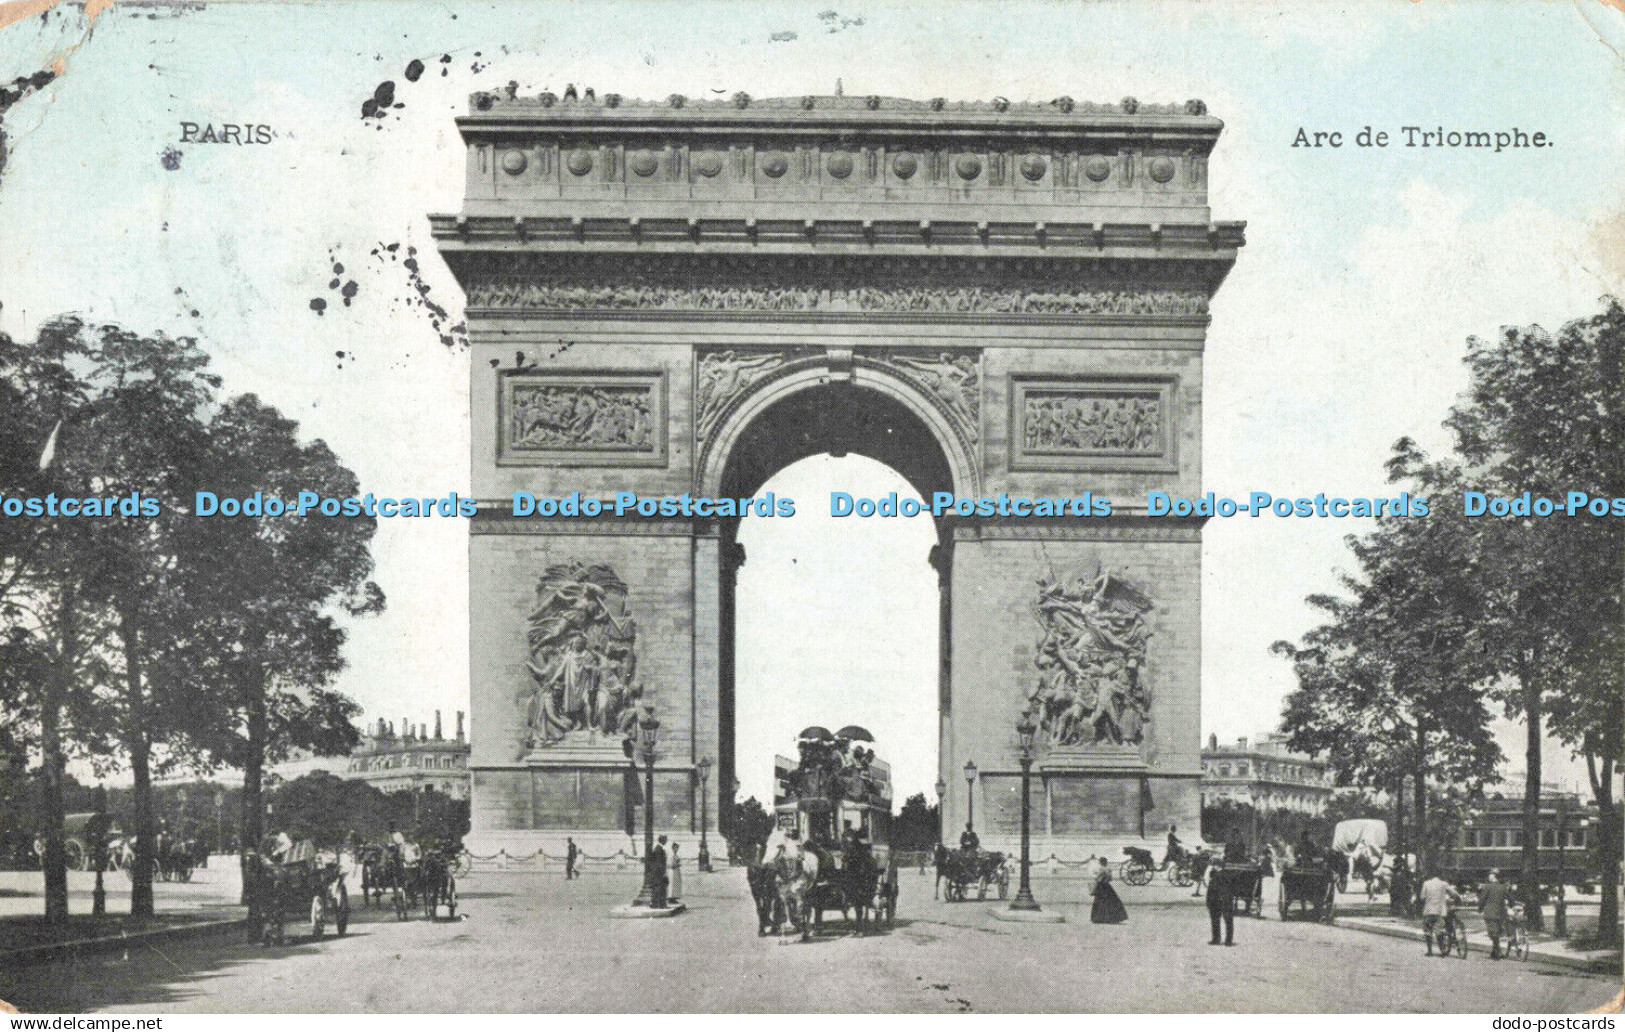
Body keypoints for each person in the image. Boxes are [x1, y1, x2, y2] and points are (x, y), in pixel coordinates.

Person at [1420, 871, 1462, 957]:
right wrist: (1458, 900)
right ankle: (1442, 950)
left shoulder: (1426, 883)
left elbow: (1422, 897)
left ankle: (1429, 951)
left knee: (1428, 930)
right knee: (1439, 930)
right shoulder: (1444, 884)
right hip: (1440, 911)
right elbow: (1454, 894)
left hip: (1428, 911)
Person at [1479, 869, 1510, 960]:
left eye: (1490, 874)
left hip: (1490, 913)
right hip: (1501, 913)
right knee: (1497, 931)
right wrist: (1512, 905)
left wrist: (1480, 909)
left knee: (1493, 932)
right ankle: (1494, 950)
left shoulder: (1487, 887)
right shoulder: (1503, 887)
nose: (1489, 876)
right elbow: (1509, 897)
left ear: (1493, 876)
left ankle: (1497, 950)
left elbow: (1482, 899)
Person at [1090, 857, 1128, 924]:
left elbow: (1096, 878)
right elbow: (1110, 879)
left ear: (1100, 862)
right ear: (1106, 862)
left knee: (1099, 902)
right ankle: (1112, 918)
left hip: (1100, 887)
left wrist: (1095, 875)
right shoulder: (1109, 870)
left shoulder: (1101, 869)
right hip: (1107, 886)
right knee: (1111, 901)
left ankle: (1100, 918)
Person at [1206, 863, 1235, 946]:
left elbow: (1210, 889)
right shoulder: (1228, 875)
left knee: (1215, 920)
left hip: (1215, 900)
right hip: (1225, 900)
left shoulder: (1215, 875)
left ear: (1217, 866)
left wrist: (1208, 901)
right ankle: (1228, 941)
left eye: (1214, 865)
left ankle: (1216, 939)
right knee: (1228, 920)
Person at [649, 834, 669, 908]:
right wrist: (663, 872)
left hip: (658, 872)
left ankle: (659, 904)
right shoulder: (659, 849)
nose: (666, 841)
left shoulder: (659, 848)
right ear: (662, 840)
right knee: (659, 888)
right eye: (665, 840)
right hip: (658, 873)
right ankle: (658, 904)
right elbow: (659, 862)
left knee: (659, 888)